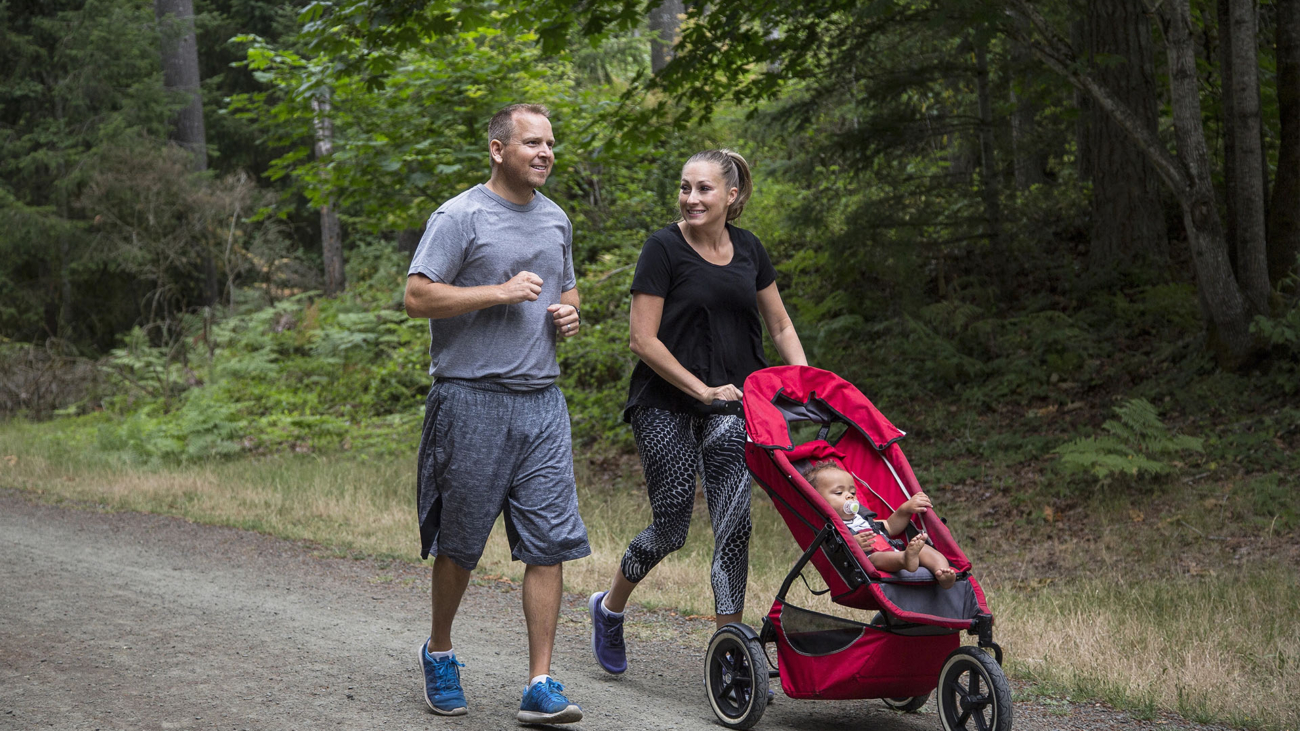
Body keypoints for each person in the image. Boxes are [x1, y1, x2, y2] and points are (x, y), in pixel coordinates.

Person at [587, 149, 808, 675]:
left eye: (704, 189)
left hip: (735, 402)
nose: (691, 198)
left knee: (733, 525)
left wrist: (803, 381)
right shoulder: (662, 249)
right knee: (671, 528)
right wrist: (702, 389)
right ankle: (610, 607)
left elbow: (779, 326)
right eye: (685, 187)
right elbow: (643, 340)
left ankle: (730, 651)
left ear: (731, 196)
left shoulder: (750, 249)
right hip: (666, 401)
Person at [404, 103, 589, 725]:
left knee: (549, 543)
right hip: (470, 400)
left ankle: (540, 681)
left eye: (551, 144)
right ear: (497, 149)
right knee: (460, 541)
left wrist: (569, 314)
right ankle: (440, 650)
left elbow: (565, 289)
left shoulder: (557, 219)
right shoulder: (460, 216)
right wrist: (499, 291)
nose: (545, 153)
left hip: (542, 402)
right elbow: (416, 296)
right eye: (532, 143)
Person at [804, 460, 958, 589]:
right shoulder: (831, 529)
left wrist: (905, 509)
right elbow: (835, 552)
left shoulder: (863, 518)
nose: (850, 495)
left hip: (893, 550)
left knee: (924, 548)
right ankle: (905, 560)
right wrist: (853, 544)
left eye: (852, 491)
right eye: (839, 493)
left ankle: (942, 572)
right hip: (872, 561)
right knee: (876, 558)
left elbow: (891, 526)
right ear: (817, 501)